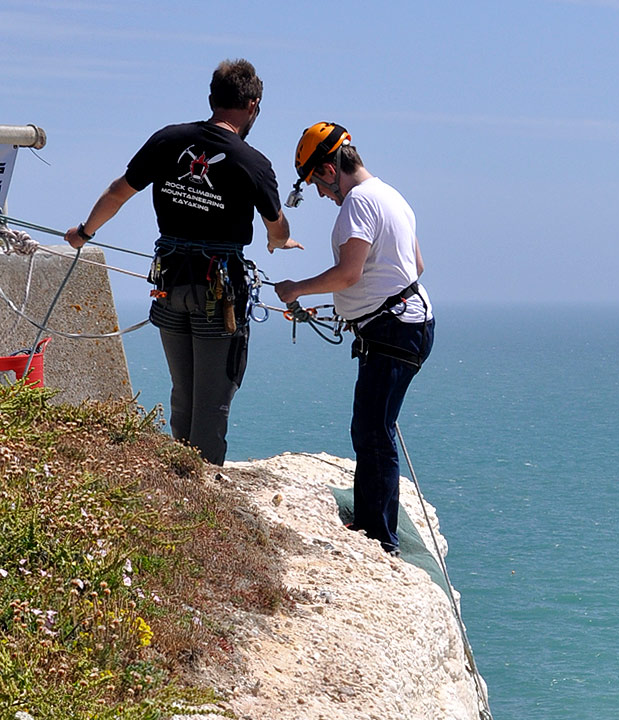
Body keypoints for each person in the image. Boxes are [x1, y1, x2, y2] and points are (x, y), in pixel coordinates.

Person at [65, 58, 298, 465]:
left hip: (169, 283)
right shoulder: (253, 163)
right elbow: (275, 228)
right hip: (219, 291)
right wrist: (281, 242)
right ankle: (203, 499)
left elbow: (118, 192)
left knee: (183, 394)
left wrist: (84, 232)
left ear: (212, 99)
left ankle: (181, 485)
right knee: (212, 403)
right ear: (253, 105)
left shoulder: (168, 141)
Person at [274, 122, 432, 556]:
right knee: (375, 426)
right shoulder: (390, 195)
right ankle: (374, 523)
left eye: (318, 184)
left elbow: (348, 273)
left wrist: (296, 289)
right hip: (405, 322)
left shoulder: (357, 204)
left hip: (391, 329)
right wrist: (360, 304)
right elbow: (416, 263)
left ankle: (379, 536)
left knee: (372, 430)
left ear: (329, 169)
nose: (323, 195)